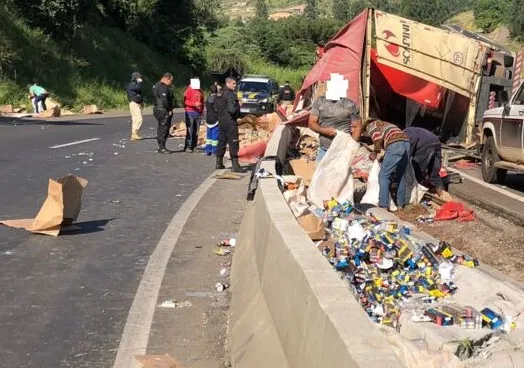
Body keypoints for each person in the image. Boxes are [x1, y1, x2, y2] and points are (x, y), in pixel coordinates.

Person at [364, 118, 411, 210]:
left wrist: (375, 153)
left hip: (396, 144)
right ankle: (400, 205)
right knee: (401, 175)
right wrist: (384, 157)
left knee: (383, 175)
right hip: (406, 143)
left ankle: (383, 206)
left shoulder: (372, 126)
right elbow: (393, 144)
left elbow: (377, 139)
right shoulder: (386, 124)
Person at [308, 96, 362, 163]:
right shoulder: (320, 101)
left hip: (343, 152)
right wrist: (324, 131)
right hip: (324, 150)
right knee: (321, 173)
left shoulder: (349, 104)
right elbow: (311, 124)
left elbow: (357, 127)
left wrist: (351, 148)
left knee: (341, 173)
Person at [404, 126, 444, 196]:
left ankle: (415, 193)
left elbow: (413, 139)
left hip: (425, 145)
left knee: (416, 170)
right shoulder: (410, 130)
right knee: (434, 172)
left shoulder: (404, 134)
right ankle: (442, 193)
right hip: (436, 142)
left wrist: (408, 155)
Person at [215, 77, 243, 172]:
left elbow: (215, 107)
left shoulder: (219, 93)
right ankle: (235, 165)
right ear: (228, 83)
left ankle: (219, 162)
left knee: (221, 141)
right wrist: (238, 106)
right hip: (230, 121)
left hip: (221, 120)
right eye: (234, 84)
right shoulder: (230, 94)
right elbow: (232, 110)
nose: (235, 86)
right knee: (233, 142)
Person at [152, 73, 175, 154]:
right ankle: (162, 147)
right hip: (162, 109)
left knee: (160, 127)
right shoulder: (163, 87)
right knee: (164, 128)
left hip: (157, 108)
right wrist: (169, 109)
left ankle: (160, 146)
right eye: (171, 81)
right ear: (167, 79)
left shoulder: (155, 85)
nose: (171, 83)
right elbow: (164, 99)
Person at [183, 78, 205, 152]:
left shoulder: (200, 91)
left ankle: (194, 145)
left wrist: (201, 111)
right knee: (190, 130)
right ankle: (188, 146)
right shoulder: (188, 90)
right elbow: (186, 101)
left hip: (198, 113)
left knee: (196, 130)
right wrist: (194, 104)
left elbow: (202, 101)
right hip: (190, 112)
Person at [127, 71, 144, 141]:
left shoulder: (134, 84)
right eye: (139, 77)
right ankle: (134, 132)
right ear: (136, 78)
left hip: (135, 103)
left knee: (135, 119)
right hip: (134, 103)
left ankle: (134, 134)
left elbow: (138, 93)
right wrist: (139, 82)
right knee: (139, 119)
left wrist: (141, 102)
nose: (140, 78)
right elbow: (138, 89)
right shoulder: (133, 84)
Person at [205, 85, 220, 156]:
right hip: (215, 119)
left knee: (209, 136)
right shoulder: (217, 99)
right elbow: (217, 109)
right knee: (215, 136)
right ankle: (214, 151)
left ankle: (207, 150)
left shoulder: (207, 99)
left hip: (208, 118)